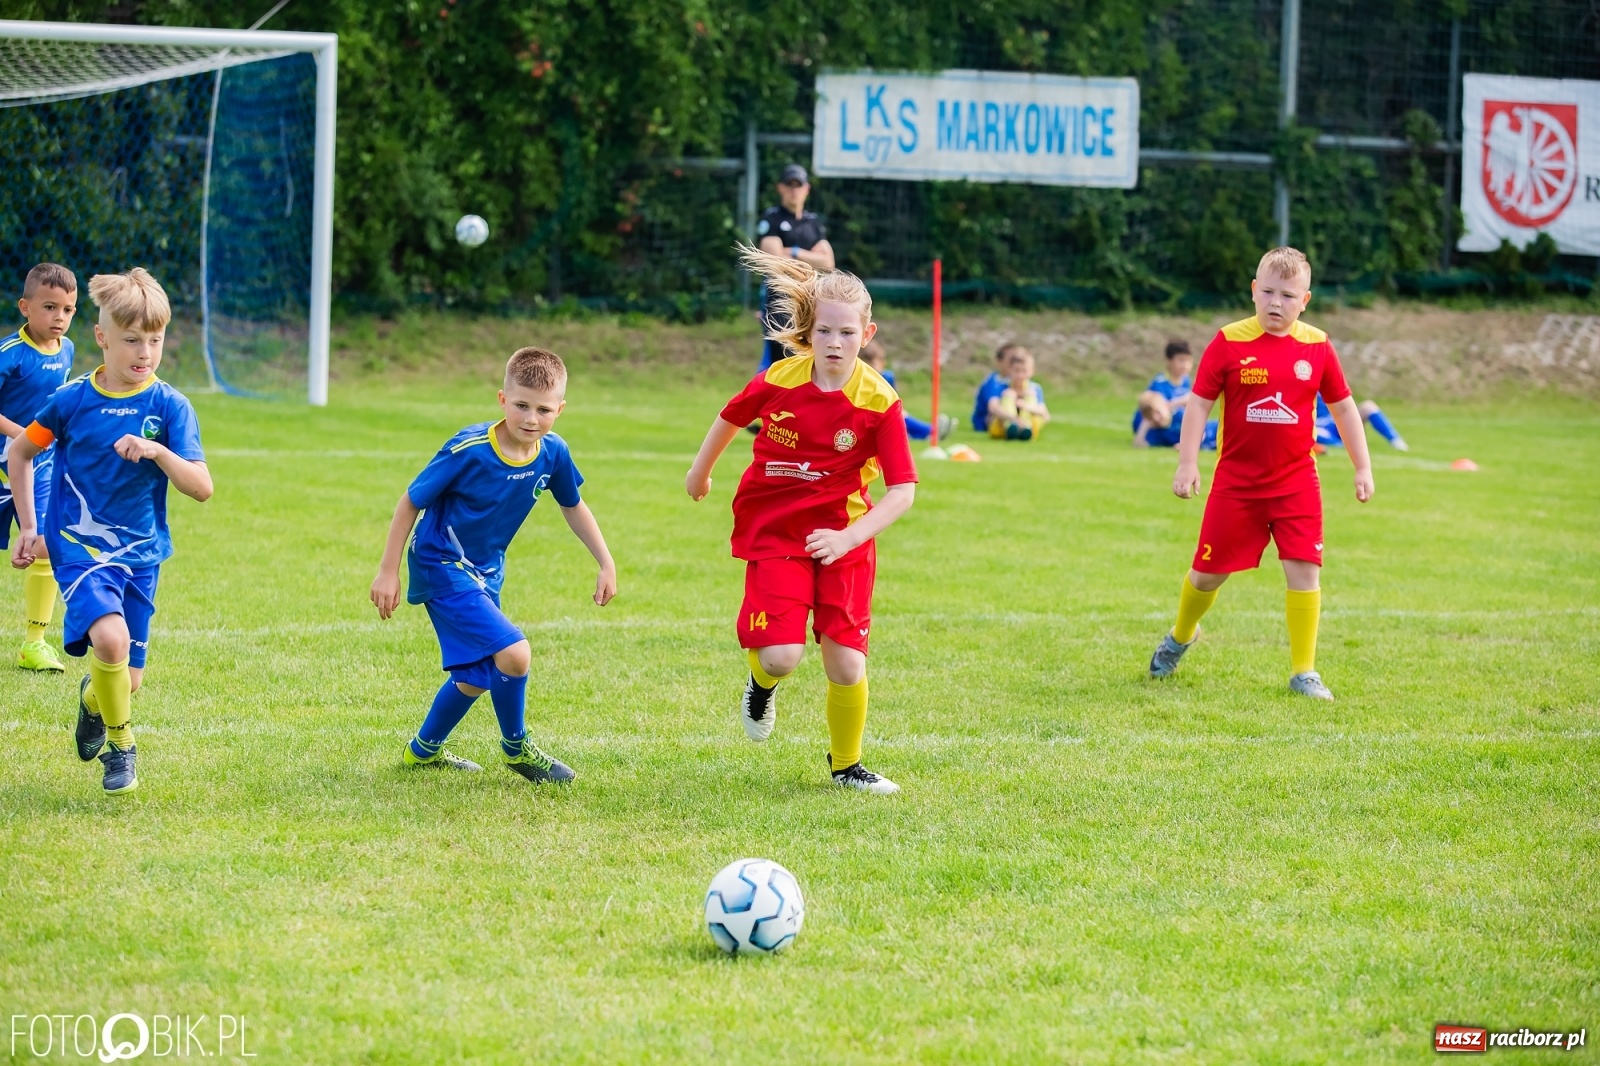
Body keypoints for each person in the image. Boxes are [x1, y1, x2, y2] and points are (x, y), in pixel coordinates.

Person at [686, 247, 916, 795]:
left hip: (845, 539)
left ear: (868, 332)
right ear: (809, 332)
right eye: (825, 333)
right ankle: (761, 686)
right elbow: (729, 416)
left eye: (847, 334)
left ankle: (847, 766)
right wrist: (700, 472)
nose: (835, 345)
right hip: (778, 530)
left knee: (846, 667)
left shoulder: (880, 402)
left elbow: (902, 490)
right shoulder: (780, 379)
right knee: (782, 656)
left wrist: (848, 537)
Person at [7, 268, 212, 795]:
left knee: (127, 675)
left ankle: (93, 700)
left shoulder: (170, 406)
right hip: (78, 547)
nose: (145, 352)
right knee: (110, 638)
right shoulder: (72, 401)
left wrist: (158, 451)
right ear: (101, 337)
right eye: (131, 340)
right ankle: (123, 750)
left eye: (155, 340)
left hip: (141, 555)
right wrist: (31, 526)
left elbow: (202, 487)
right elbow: (21, 452)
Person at [371, 347, 617, 785]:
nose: (531, 418)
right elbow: (410, 501)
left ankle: (422, 752)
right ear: (502, 400)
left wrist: (605, 561)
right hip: (440, 562)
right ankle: (517, 748)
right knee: (515, 653)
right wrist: (388, 571)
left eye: (543, 409)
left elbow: (573, 505)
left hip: (485, 569)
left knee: (479, 674)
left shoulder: (553, 453)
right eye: (521, 405)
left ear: (560, 410)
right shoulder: (468, 449)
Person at [1147, 246, 1373, 700]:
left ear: (1304, 301)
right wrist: (1188, 462)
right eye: (1267, 291)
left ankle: (1304, 672)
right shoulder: (1229, 341)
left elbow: (1344, 408)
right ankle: (1181, 634)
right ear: (1253, 291)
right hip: (1236, 484)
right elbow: (1198, 404)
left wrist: (1362, 465)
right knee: (1207, 575)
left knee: (1305, 572)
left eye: (1288, 296)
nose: (1276, 303)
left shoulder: (1317, 346)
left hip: (1296, 483)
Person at [1, 263, 78, 672]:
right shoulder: (10, 354)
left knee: (46, 541)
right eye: (50, 307)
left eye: (68, 309)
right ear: (25, 308)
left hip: (41, 461)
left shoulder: (66, 350)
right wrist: (23, 434)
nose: (59, 318)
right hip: (7, 456)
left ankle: (35, 642)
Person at [755, 164, 834, 369]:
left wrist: (794, 252)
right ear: (780, 188)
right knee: (782, 364)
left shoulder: (813, 223)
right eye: (789, 185)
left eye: (798, 186)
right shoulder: (772, 218)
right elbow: (775, 259)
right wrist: (810, 258)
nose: (794, 191)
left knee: (808, 361)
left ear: (806, 189)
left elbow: (828, 262)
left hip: (809, 299)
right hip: (780, 301)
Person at [861, 339, 955, 442]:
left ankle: (929, 433)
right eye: (866, 365)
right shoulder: (861, 380)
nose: (870, 369)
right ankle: (932, 431)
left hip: (888, 412)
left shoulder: (887, 377)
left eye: (873, 364)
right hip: (872, 415)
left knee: (901, 416)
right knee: (897, 418)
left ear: (882, 363)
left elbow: (894, 397)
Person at [1132, 339, 1218, 450]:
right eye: (1181, 361)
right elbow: (1153, 408)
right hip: (1160, 425)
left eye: (1188, 361)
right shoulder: (1159, 384)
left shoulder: (1185, 380)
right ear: (1169, 361)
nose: (1185, 365)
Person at [986, 345, 1050, 440]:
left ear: (1031, 371)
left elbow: (1045, 415)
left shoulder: (1034, 388)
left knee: (1030, 395)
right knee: (1009, 394)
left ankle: (1026, 428)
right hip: (1003, 423)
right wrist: (1012, 417)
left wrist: (1025, 406)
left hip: (1028, 422)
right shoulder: (1001, 386)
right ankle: (1010, 427)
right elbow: (993, 407)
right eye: (1016, 371)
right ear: (1009, 370)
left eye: (1024, 371)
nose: (1020, 375)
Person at [1314, 395, 1408, 453]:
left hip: (1338, 422)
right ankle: (1341, 444)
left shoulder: (1326, 382)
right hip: (1319, 428)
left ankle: (1395, 440)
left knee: (1368, 406)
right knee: (1314, 431)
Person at [969, 344, 1015, 432]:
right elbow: (993, 407)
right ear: (999, 361)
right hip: (985, 423)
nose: (1013, 363)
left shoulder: (1015, 381)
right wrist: (1014, 418)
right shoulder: (994, 381)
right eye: (1010, 360)